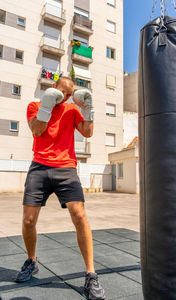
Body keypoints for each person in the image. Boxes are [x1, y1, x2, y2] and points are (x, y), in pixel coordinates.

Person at [15, 77, 105, 300]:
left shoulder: (72, 109)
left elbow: (88, 132)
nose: (65, 98)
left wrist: (88, 109)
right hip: (39, 166)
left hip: (66, 167)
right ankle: (31, 261)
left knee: (80, 215)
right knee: (28, 220)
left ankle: (90, 274)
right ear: (54, 88)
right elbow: (37, 130)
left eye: (69, 94)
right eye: (63, 93)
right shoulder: (35, 106)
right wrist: (47, 105)